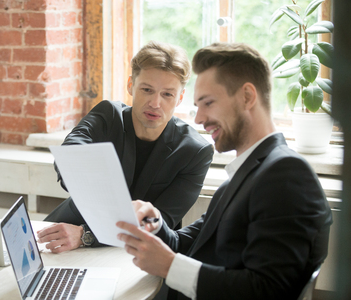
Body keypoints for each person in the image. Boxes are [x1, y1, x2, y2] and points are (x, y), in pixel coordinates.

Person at [117, 43, 333, 300]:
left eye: (208, 103)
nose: (198, 118)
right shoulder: (246, 176)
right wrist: (154, 222)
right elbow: (185, 245)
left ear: (247, 97)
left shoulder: (285, 174)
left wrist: (169, 266)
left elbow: (269, 290)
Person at [37, 41, 214, 253]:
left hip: (139, 252)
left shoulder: (195, 152)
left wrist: (86, 235)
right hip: (65, 231)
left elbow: (158, 222)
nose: (155, 103)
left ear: (180, 98)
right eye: (147, 89)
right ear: (131, 85)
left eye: (167, 94)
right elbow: (70, 156)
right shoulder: (109, 115)